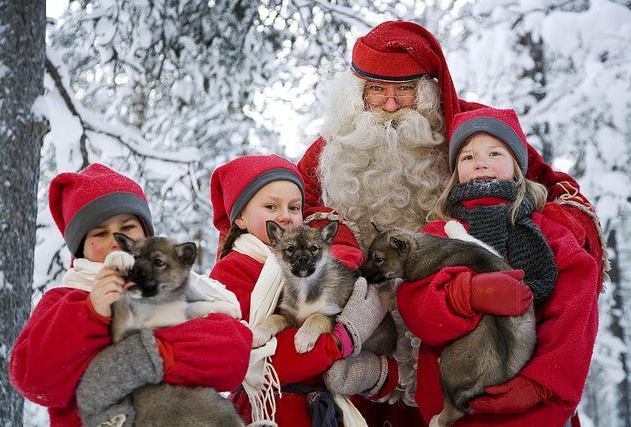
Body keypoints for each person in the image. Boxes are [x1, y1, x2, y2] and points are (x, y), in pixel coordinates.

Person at [297, 20, 606, 426]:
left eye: (404, 90)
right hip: (371, 351)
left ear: (425, 90)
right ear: (356, 93)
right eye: (376, 90)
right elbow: (275, 212)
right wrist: (346, 248)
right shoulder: (330, 150)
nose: (391, 105)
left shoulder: (472, 130)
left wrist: (538, 230)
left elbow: (555, 187)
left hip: (484, 344)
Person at [397, 107, 598, 426]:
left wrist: (540, 384)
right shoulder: (439, 233)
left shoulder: (551, 233)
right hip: (457, 401)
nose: (480, 162)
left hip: (533, 407)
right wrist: (463, 294)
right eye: (467, 157)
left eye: (495, 152)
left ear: (517, 166)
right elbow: (416, 304)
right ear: (455, 172)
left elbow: (574, 310)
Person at [9, 163, 252, 427]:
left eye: (127, 227)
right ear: (80, 247)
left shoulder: (182, 285)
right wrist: (91, 311)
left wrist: (152, 355)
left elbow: (233, 356)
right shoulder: (65, 300)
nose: (116, 239)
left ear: (146, 235)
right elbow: (34, 380)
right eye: (100, 233)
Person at [208, 154, 390, 426]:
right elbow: (256, 362)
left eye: (294, 208)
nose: (285, 216)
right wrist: (339, 341)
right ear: (241, 218)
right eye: (271, 206)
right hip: (269, 409)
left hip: (321, 409)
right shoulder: (232, 271)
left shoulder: (305, 265)